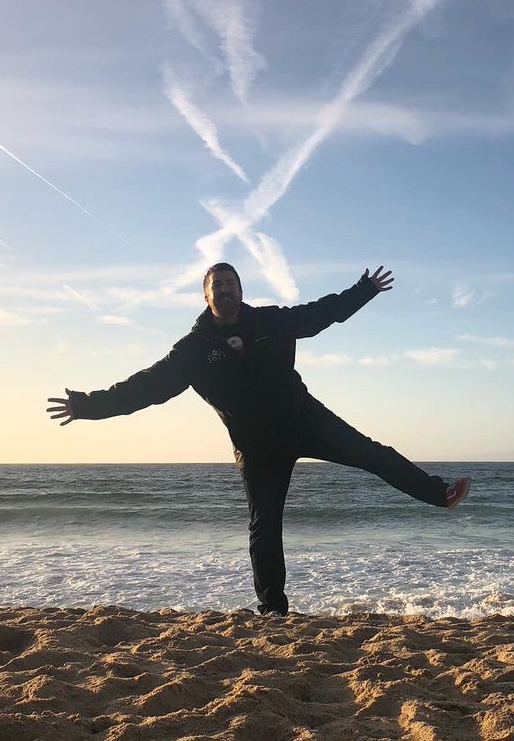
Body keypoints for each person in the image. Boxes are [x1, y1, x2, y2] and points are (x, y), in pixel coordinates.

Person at [47, 263, 471, 615]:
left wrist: (363, 290)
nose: (227, 291)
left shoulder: (271, 321)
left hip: (304, 420)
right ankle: (273, 611)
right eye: (218, 286)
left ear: (241, 290)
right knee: (265, 525)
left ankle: (440, 493)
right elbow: (144, 388)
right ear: (206, 296)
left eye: (232, 284)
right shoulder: (192, 350)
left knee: (374, 454)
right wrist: (89, 405)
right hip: (256, 446)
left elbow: (321, 313)